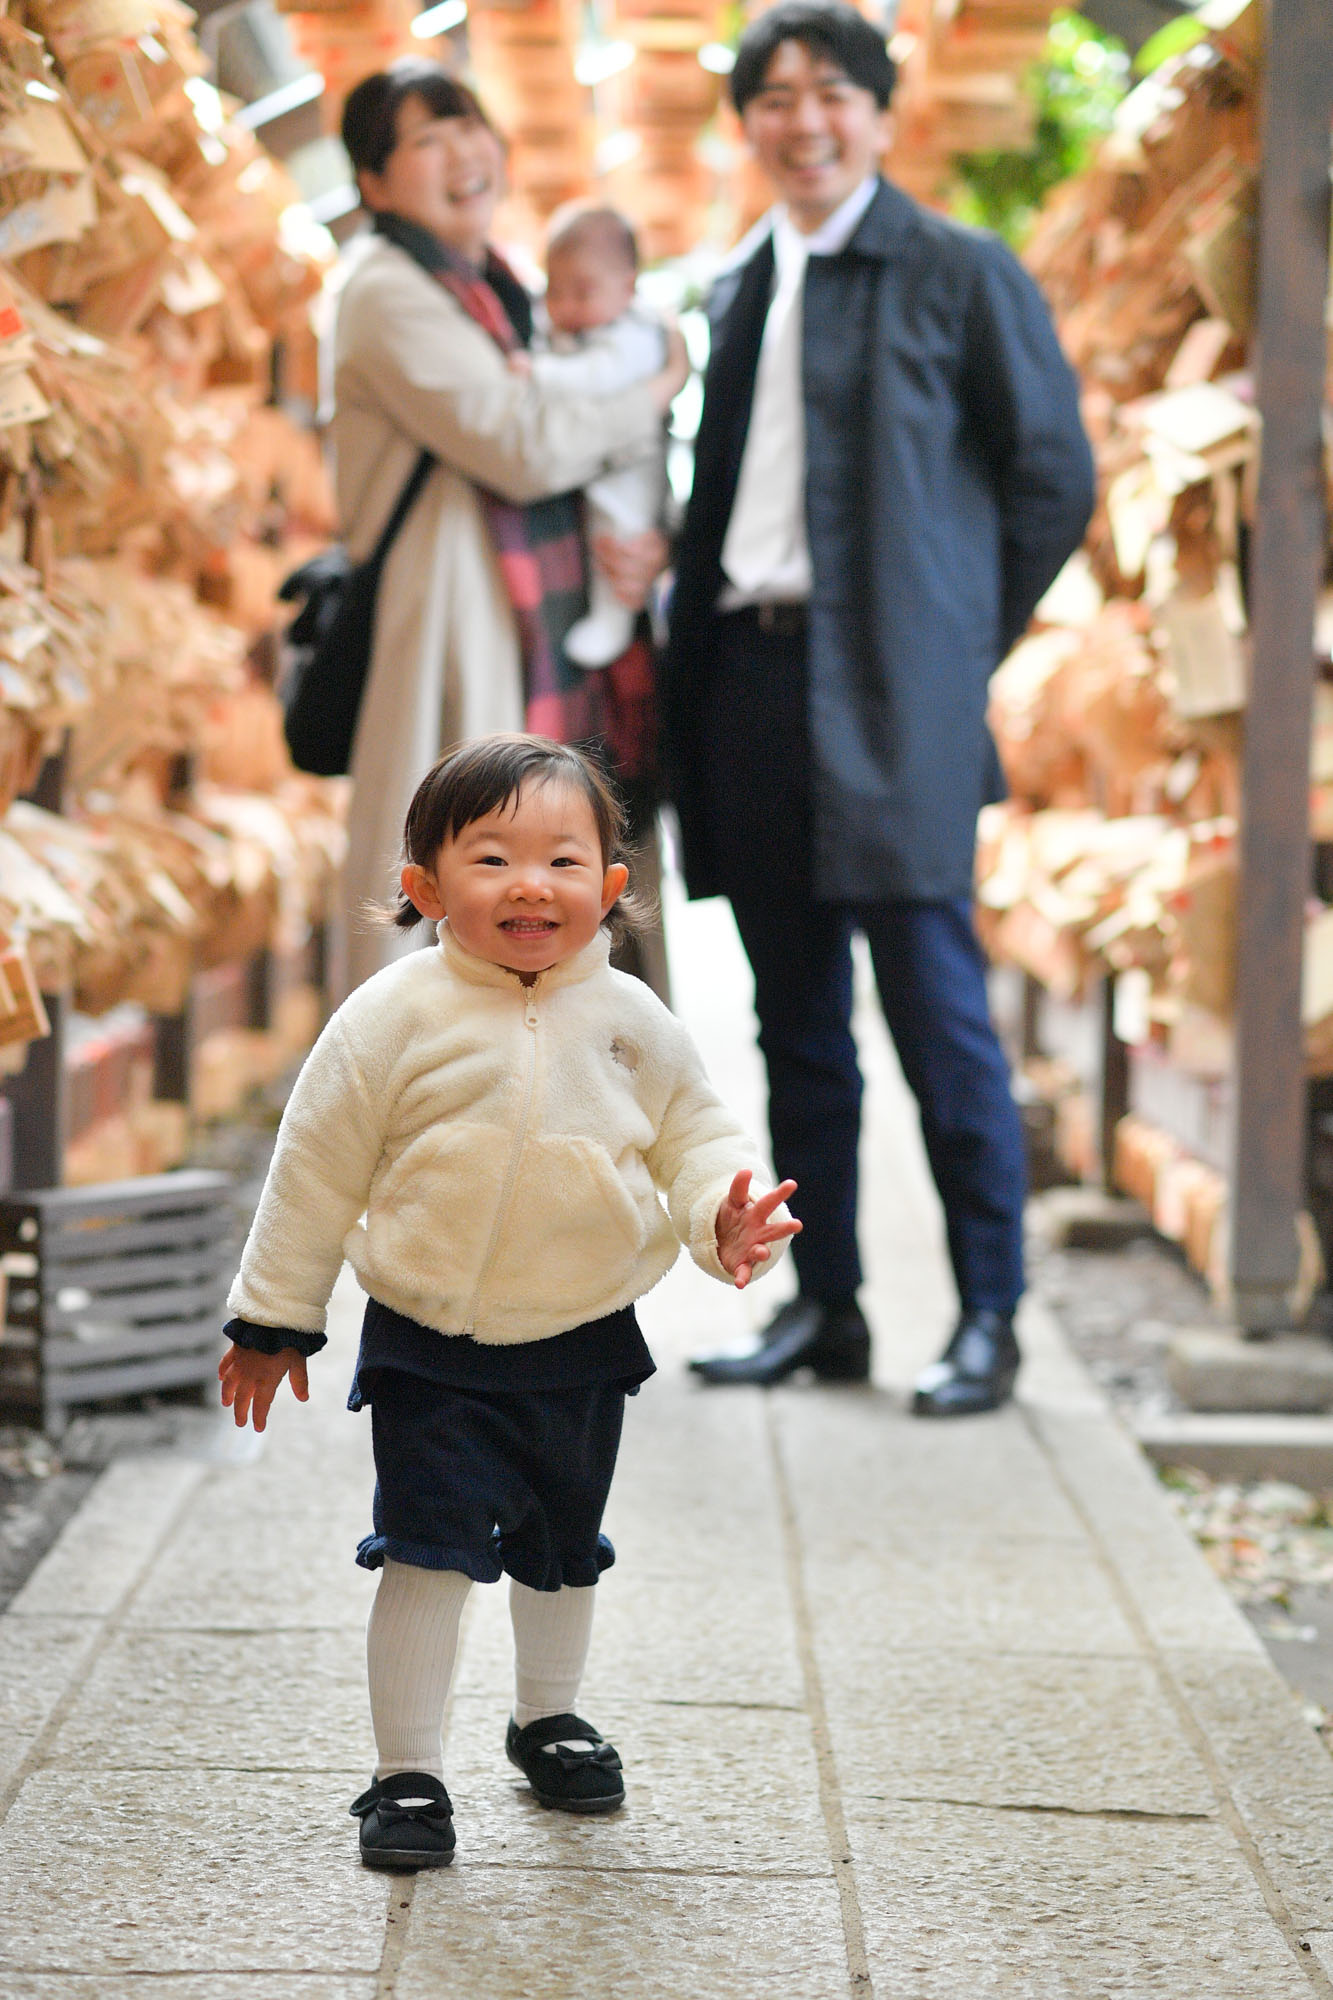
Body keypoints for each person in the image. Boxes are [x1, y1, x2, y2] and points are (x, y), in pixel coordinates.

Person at [217, 735, 799, 1868]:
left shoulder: (635, 1019)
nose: (530, 884)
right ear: (427, 885)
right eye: (491, 857)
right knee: (427, 1547)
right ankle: (407, 1773)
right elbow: (315, 1165)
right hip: (430, 1339)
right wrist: (273, 1315)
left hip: (583, 1333)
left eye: (562, 860)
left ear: (612, 889)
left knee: (560, 1543)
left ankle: (547, 1716)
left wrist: (723, 1218)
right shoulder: (392, 1017)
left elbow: (697, 1140)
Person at [665, 2, 1095, 1414]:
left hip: (895, 696)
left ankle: (987, 1317)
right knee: (794, 1025)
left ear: (881, 115)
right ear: (749, 126)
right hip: (749, 682)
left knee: (935, 1011)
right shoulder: (738, 286)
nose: (803, 120)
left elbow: (1050, 480)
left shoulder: (958, 272)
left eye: (831, 93)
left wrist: (946, 636)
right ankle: (828, 1305)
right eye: (775, 97)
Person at [330, 60, 684, 995]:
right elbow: (521, 442)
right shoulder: (386, 289)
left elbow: (570, 456)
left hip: (531, 636)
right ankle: (416, 1115)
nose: (462, 155)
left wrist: (648, 544)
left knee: (533, 875)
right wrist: (655, 391)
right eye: (427, 140)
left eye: (469, 128)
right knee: (450, 884)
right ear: (372, 182)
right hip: (453, 629)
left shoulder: (494, 290)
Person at [523, 205, 669, 670]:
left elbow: (594, 378)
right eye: (554, 291)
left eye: (582, 292)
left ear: (627, 287)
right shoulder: (579, 327)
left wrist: (538, 373)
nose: (565, 307)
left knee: (618, 535)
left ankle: (614, 617)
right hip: (596, 460)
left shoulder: (636, 335)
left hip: (631, 469)